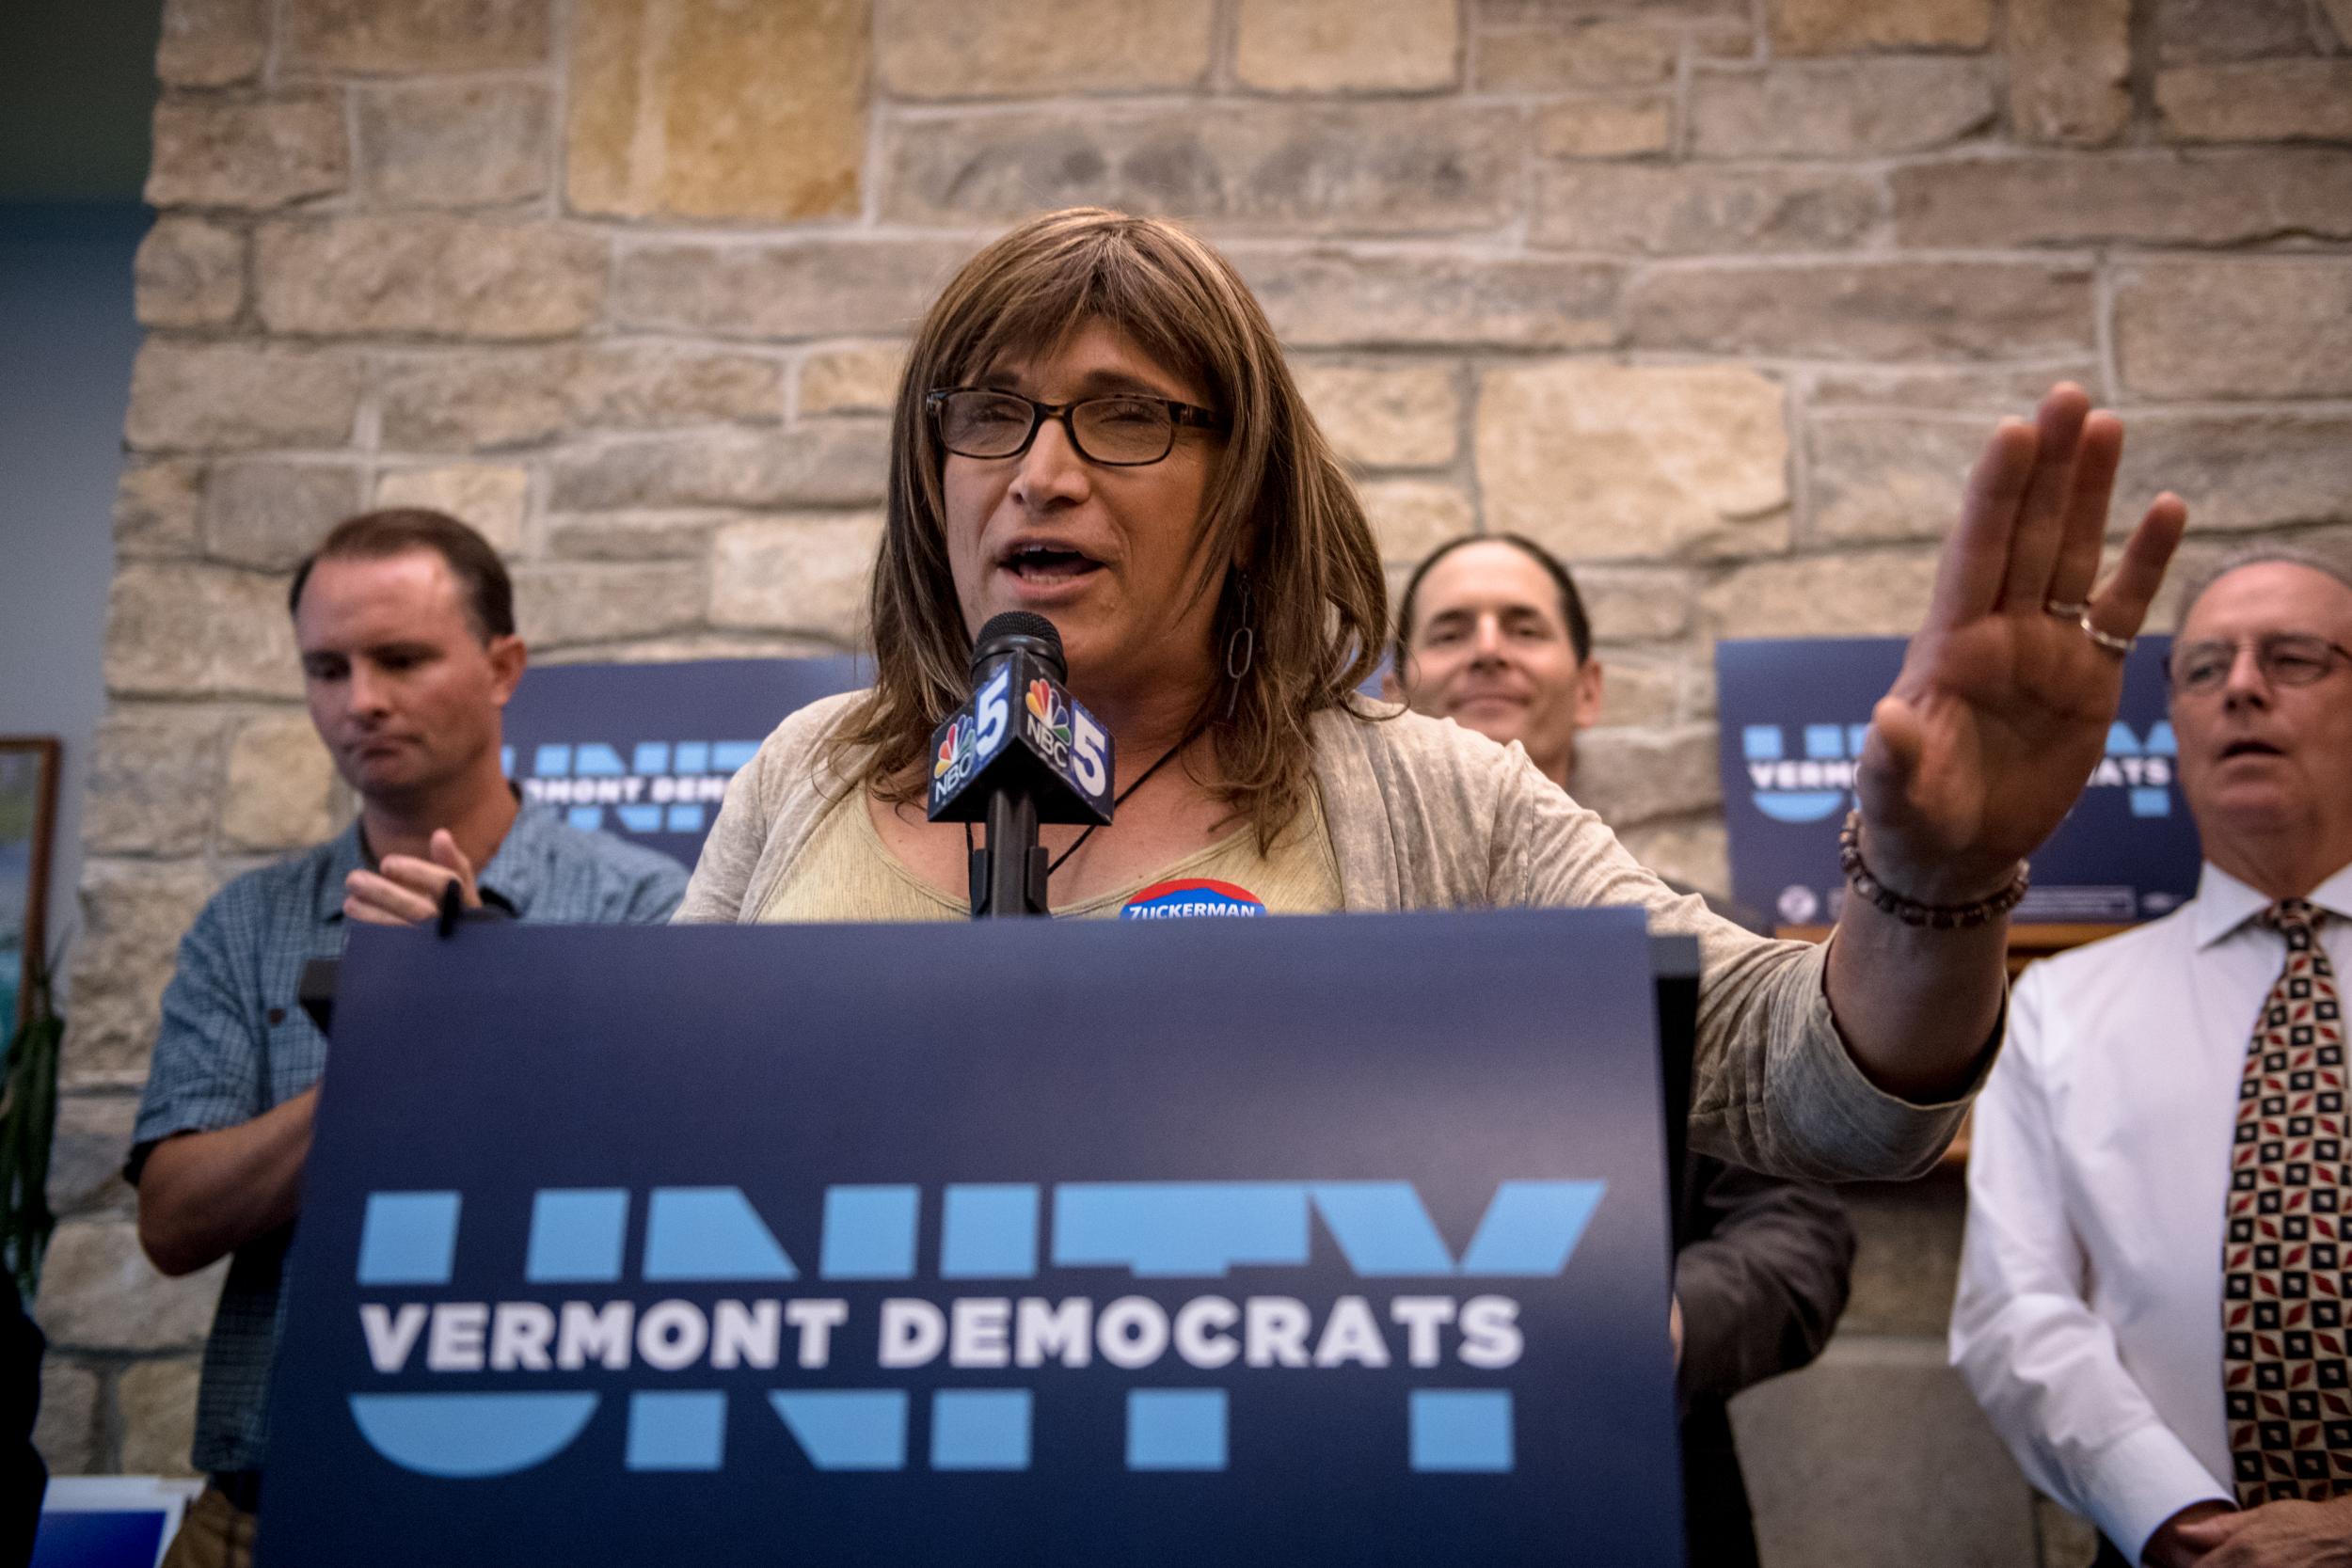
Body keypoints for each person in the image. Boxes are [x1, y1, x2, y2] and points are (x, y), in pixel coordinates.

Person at [678, 204, 2189, 1186]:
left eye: (1127, 415)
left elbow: (1806, 1085)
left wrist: (1938, 882)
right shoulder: (808, 770)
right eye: (991, 412)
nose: (1042, 470)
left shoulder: (1437, 796)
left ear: (1247, 502)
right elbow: (646, 1131)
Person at [128, 510, 688, 1566]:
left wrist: (481, 1000)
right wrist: (397, 1046)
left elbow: (667, 1193)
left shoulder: (644, 905)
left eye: (400, 658)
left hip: (548, 1500)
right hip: (258, 1510)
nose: (361, 700)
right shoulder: (247, 923)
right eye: (326, 668)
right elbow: (172, 1222)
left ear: (503, 666)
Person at [1387, 531, 1854, 1566]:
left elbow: (1798, 1236)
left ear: (1588, 688)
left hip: (1647, 1478)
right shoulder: (1326, 951)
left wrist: (1664, 1323)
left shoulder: (1713, 948)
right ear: (1396, 693)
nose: (1488, 648)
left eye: (1523, 627)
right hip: (1366, 1477)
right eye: (1450, 631)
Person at [1954, 546, 2352, 1568]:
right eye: (2206, 667)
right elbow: (2016, 1309)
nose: (2242, 688)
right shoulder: (2059, 1007)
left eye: (2293, 658)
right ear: (2173, 719)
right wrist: (2175, 1517)